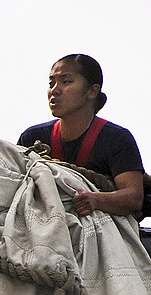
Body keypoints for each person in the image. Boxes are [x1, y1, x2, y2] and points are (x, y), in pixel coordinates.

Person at [18, 53, 144, 217]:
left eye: (66, 82)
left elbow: (134, 198)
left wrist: (96, 200)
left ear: (92, 91)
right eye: (51, 83)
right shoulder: (33, 139)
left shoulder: (116, 139)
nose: (55, 90)